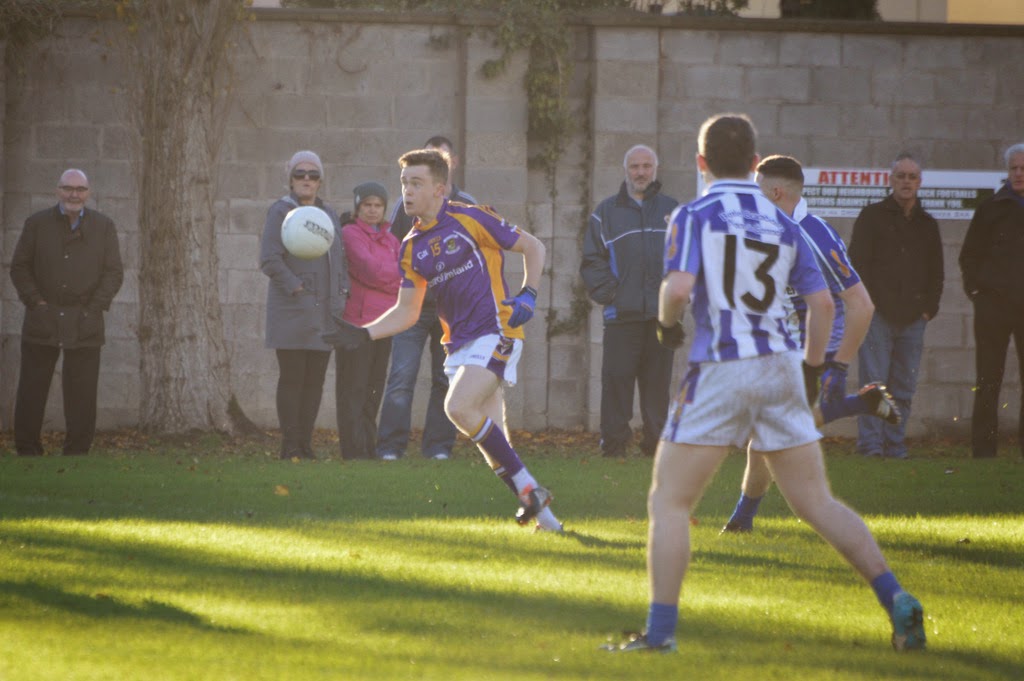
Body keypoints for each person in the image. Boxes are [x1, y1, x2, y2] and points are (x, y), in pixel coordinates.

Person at [604, 114, 925, 653]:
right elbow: (823, 304)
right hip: (779, 364)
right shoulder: (784, 221)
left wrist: (665, 326)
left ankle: (659, 635)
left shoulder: (695, 213)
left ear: (702, 164)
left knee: (671, 503)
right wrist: (813, 367)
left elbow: (678, 289)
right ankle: (895, 597)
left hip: (721, 368)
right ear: (756, 165)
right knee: (817, 503)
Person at [325, 148, 563, 532]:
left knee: (457, 408)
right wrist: (362, 333)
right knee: (494, 440)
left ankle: (531, 491)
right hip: (459, 345)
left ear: (440, 189)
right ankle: (547, 519)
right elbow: (408, 312)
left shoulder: (470, 217)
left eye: (416, 183)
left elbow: (533, 247)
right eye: (404, 183)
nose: (407, 192)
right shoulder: (410, 247)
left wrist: (529, 293)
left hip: (496, 330)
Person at [722, 155, 900, 533]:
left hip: (819, 350)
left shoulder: (812, 233)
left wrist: (837, 366)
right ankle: (741, 523)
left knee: (770, 437)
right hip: (787, 350)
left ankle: (743, 522)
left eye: (758, 193)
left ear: (776, 192)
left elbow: (861, 305)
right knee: (763, 439)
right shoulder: (769, 232)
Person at [375, 135, 476, 461]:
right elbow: (391, 250)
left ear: (453, 164)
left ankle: (438, 449)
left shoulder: (467, 204)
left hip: (452, 311)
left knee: (445, 380)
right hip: (413, 308)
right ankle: (390, 448)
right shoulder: (407, 203)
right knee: (401, 378)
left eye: (442, 159)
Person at [10, 169, 124, 457]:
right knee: (32, 388)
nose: (74, 194)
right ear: (57, 190)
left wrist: (93, 308)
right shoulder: (36, 224)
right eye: (68, 188)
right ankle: (27, 449)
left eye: (80, 189)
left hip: (85, 319)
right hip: (42, 317)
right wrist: (37, 303)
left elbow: (113, 272)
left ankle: (77, 452)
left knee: (82, 392)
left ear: (89, 192)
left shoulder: (104, 226)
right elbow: (19, 267)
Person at [580, 145, 680, 457]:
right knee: (616, 385)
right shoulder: (605, 213)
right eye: (635, 166)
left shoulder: (673, 210)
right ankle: (614, 448)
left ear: (655, 169)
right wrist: (613, 295)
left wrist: (676, 301)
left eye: (646, 166)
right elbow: (591, 261)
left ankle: (656, 447)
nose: (641, 172)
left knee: (657, 389)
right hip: (620, 317)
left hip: (662, 318)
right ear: (626, 170)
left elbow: (686, 259)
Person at [848, 153, 944, 459]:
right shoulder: (872, 216)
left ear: (919, 182)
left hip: (914, 319)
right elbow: (856, 265)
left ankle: (895, 445)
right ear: (891, 180)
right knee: (873, 385)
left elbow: (937, 272)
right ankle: (871, 446)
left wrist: (929, 309)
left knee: (903, 387)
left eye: (912, 177)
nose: (906, 182)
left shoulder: (928, 224)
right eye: (900, 176)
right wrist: (868, 307)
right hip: (878, 317)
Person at [259, 150, 348, 460]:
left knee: (315, 381)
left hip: (325, 313)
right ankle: (290, 445)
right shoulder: (280, 211)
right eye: (300, 174)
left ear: (320, 180)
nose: (307, 179)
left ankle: (306, 446)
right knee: (293, 378)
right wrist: (296, 287)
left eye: (313, 174)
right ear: (291, 179)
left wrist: (342, 291)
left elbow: (339, 260)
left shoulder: (330, 215)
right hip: (292, 311)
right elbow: (269, 259)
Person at [958, 142, 1024, 459]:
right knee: (987, 381)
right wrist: (978, 294)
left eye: (1023, 168)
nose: (1019, 174)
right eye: (1013, 168)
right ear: (1007, 171)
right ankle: (984, 452)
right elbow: (968, 256)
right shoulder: (990, 208)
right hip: (993, 308)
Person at [335, 182, 402, 460]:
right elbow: (369, 270)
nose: (373, 210)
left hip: (384, 324)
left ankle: (367, 446)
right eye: (367, 205)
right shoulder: (350, 233)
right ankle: (353, 450)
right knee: (354, 387)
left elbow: (407, 273)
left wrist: (392, 277)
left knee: (374, 387)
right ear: (358, 208)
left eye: (378, 205)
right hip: (356, 325)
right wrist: (394, 277)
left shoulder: (391, 239)